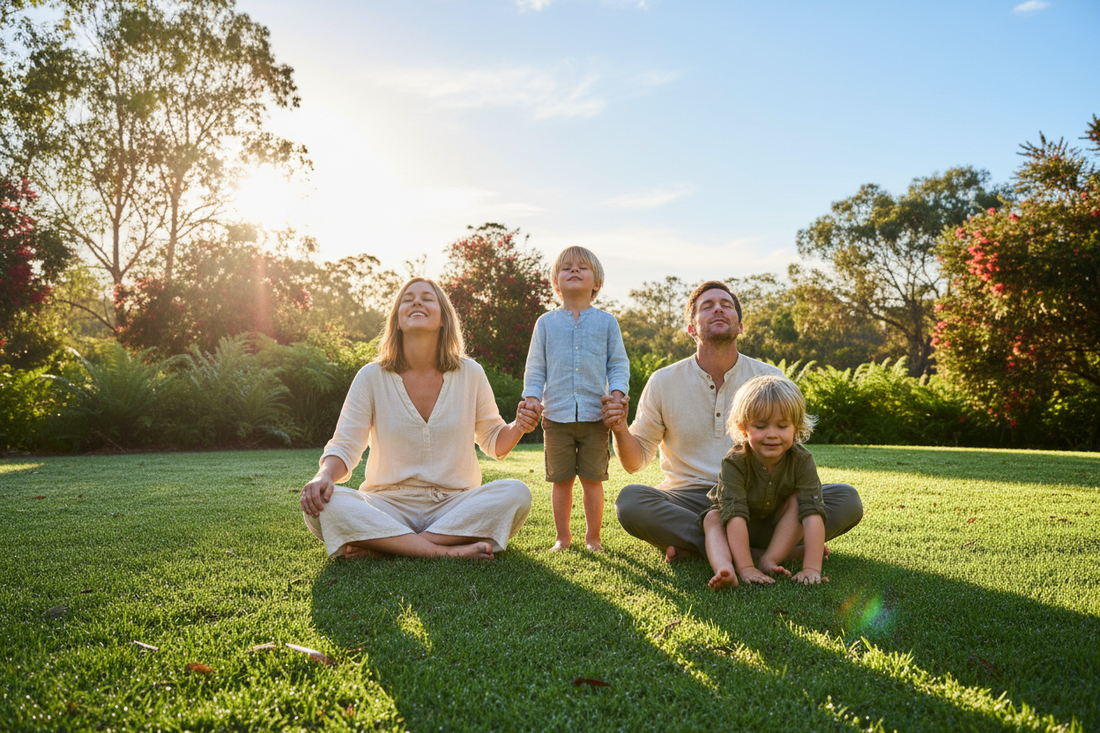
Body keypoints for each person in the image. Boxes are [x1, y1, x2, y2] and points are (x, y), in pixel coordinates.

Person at [601, 280, 863, 562]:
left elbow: (789, 450)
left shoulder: (770, 378)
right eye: (707, 306)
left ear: (740, 326)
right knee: (630, 502)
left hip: (761, 500)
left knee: (846, 499)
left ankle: (711, 551)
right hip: (691, 500)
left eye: (726, 306)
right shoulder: (663, 380)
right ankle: (761, 554)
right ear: (691, 328)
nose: (718, 310)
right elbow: (634, 462)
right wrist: (619, 428)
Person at [300, 277, 540, 561]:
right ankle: (444, 552)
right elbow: (345, 445)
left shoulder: (471, 373)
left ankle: (384, 547)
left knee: (516, 493)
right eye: (407, 298)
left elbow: (494, 442)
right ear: (397, 321)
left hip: (453, 504)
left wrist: (518, 426)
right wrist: (323, 476)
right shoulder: (371, 376)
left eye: (427, 298)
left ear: (442, 318)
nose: (416, 301)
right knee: (325, 505)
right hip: (386, 504)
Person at [522, 246, 629, 552]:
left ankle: (593, 538)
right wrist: (531, 397)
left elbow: (618, 363)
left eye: (583, 267)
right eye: (567, 267)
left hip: (597, 417)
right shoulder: (546, 323)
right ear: (556, 281)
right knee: (562, 481)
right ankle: (562, 538)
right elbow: (536, 367)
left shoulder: (607, 322)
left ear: (597, 282)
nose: (574, 271)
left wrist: (618, 394)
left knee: (593, 481)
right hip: (556, 416)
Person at [703, 375, 830, 590]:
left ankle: (768, 559)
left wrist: (811, 569)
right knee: (712, 518)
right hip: (737, 527)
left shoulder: (802, 460)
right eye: (761, 426)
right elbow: (734, 514)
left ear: (796, 428)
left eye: (782, 426)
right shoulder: (734, 462)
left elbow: (812, 513)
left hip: (778, 529)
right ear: (744, 429)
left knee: (805, 502)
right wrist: (746, 568)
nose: (772, 435)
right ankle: (727, 569)